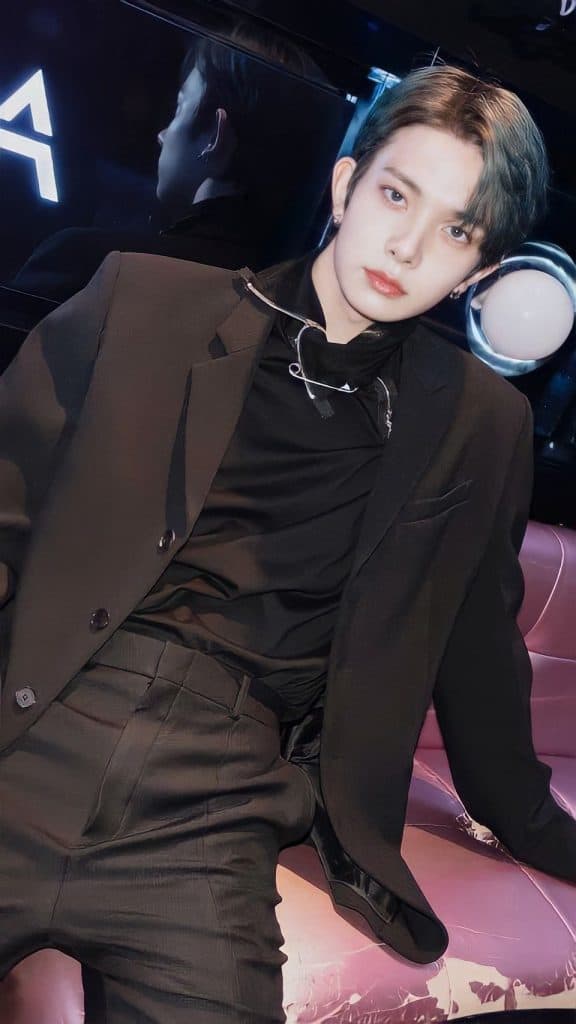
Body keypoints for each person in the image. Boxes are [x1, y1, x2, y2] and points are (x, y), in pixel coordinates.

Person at [0, 64, 575, 1023]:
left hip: (214, 805)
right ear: (348, 185)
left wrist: (547, 833)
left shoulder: (479, 424)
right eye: (398, 195)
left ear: (478, 270)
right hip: (40, 725)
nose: (407, 245)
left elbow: (479, 660)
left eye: (456, 231)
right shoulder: (143, 301)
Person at [9, 21, 333, 305]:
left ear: (214, 137)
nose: (162, 135)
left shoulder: (90, 264)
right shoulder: (281, 309)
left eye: (180, 108)